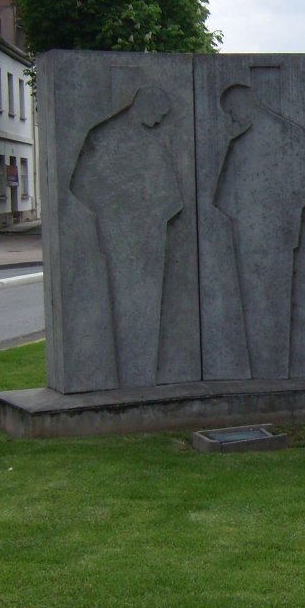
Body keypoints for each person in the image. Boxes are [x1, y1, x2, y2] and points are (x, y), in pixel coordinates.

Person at [70, 85, 182, 388]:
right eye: (159, 113)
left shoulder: (150, 144)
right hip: (124, 237)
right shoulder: (105, 138)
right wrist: (124, 210)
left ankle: (139, 376)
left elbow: (172, 200)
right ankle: (133, 377)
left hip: (148, 237)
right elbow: (83, 187)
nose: (160, 120)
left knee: (144, 309)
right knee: (129, 307)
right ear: (145, 104)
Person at [214, 83, 305, 379]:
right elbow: (222, 196)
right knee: (260, 307)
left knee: (270, 306)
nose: (233, 120)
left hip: (272, 234)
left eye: (234, 113)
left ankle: (272, 373)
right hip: (257, 234)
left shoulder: (285, 135)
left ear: (246, 104)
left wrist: (283, 212)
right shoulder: (248, 141)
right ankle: (268, 373)